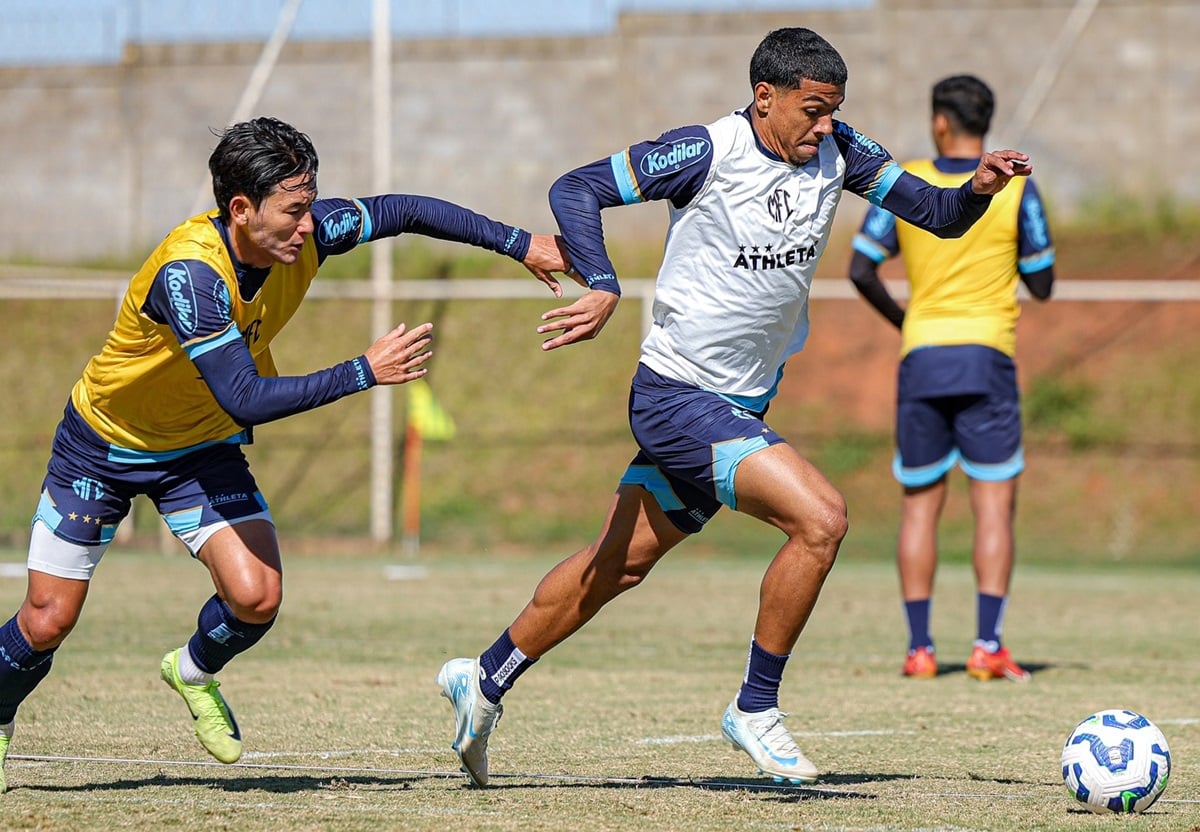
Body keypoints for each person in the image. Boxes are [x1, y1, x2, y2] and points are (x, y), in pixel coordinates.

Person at [436, 28, 1032, 788]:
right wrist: (603, 281)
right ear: (765, 97)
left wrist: (977, 189)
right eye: (813, 110)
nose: (825, 125)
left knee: (614, 567)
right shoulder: (703, 152)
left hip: (739, 403)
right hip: (676, 396)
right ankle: (755, 708)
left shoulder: (841, 151)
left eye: (834, 111)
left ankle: (484, 677)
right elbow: (577, 188)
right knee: (821, 520)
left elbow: (939, 215)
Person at [0, 116, 567, 793]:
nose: (309, 225)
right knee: (47, 620)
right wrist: (363, 370)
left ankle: (192, 670)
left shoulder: (308, 237)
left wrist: (519, 241)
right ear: (241, 209)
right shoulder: (192, 276)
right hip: (103, 446)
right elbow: (244, 395)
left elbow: (407, 210)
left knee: (256, 597)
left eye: (310, 205)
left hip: (198, 448)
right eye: (293, 210)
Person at [847, 74, 1055, 682]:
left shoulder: (907, 179)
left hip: (923, 356)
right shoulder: (1017, 188)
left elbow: (861, 269)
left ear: (940, 121)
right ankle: (988, 645)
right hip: (987, 355)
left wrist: (908, 320)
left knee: (920, 507)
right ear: (984, 124)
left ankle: (920, 650)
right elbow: (1043, 283)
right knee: (993, 507)